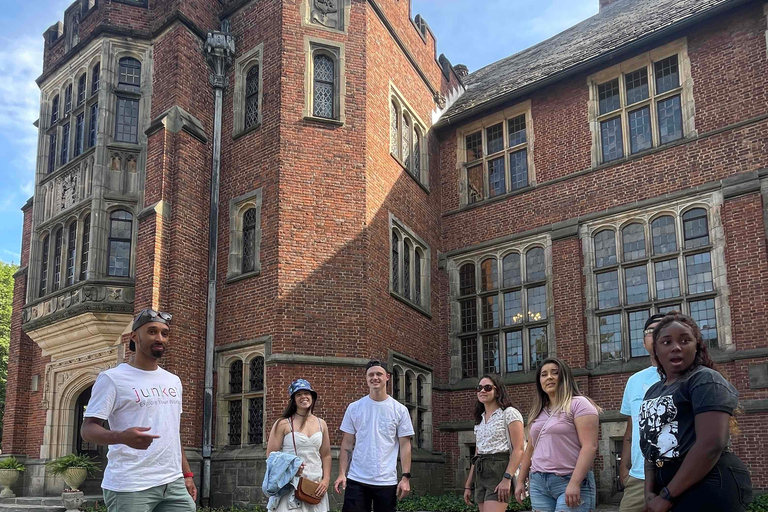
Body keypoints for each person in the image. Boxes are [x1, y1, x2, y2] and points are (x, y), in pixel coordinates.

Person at [81, 309, 196, 512]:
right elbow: (88, 430)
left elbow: (172, 433)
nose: (159, 338)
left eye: (164, 333)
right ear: (134, 336)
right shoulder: (112, 379)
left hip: (172, 482)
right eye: (152, 331)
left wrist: (186, 475)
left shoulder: (173, 381)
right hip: (130, 484)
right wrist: (122, 437)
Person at [639, 312, 753, 512]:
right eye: (667, 342)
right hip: (666, 486)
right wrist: (650, 494)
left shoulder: (704, 380)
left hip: (708, 483)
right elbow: (650, 448)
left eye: (685, 341)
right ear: (655, 350)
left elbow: (711, 444)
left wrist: (667, 496)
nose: (676, 347)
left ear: (697, 346)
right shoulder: (653, 391)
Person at [515, 357, 600, 512]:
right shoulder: (538, 410)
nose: (549, 377)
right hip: (539, 483)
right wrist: (521, 480)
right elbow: (530, 448)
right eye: (544, 374)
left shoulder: (579, 404)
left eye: (555, 373)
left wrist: (574, 483)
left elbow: (590, 446)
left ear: (565, 377)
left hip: (569, 480)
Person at [334, 360, 414, 512]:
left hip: (386, 481)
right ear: (366, 378)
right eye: (371, 374)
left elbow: (405, 445)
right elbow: (347, 444)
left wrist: (405, 477)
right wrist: (341, 474)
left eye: (379, 374)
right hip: (357, 479)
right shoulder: (354, 408)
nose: (375, 378)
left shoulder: (400, 410)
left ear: (387, 377)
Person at [619, 313, 665, 512]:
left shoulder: (688, 376)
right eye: (650, 331)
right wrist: (624, 468)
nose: (655, 335)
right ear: (643, 341)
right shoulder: (634, 381)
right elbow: (631, 428)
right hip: (638, 478)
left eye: (662, 330)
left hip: (675, 476)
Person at [265, 379, 332, 511]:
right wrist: (291, 467)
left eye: (306, 393)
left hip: (315, 485)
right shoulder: (283, 423)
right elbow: (271, 457)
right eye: (298, 394)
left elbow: (326, 455)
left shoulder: (321, 423)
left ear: (312, 397)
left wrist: (326, 480)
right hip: (290, 484)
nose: (303, 397)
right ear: (293, 400)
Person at [463, 374, 525, 511]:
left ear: (498, 391)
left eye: (488, 387)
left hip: (499, 468)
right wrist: (468, 485)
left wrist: (507, 478)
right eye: (479, 388)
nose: (482, 391)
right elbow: (477, 453)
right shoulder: (480, 419)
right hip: (481, 470)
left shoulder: (509, 413)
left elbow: (519, 449)